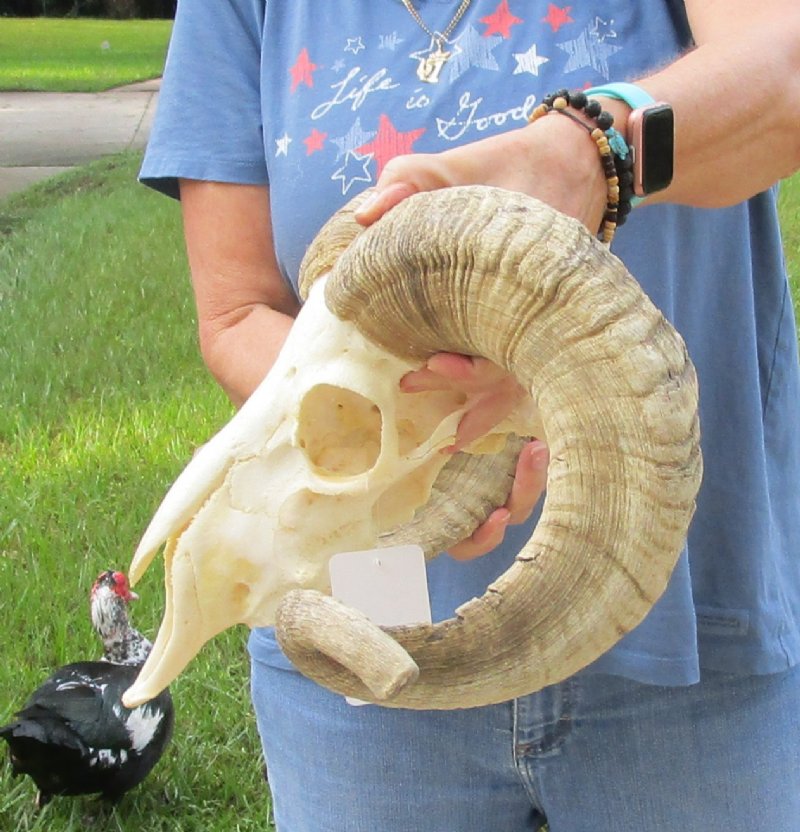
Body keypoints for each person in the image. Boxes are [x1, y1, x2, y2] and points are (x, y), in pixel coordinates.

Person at [139, 1, 800, 829]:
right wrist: (432, 417)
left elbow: (788, 74)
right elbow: (237, 312)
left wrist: (587, 155)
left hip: (697, 638)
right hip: (361, 640)